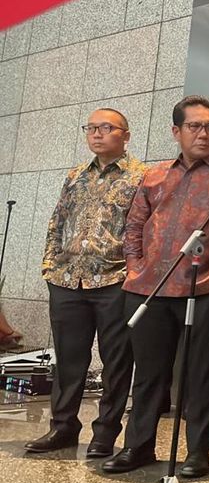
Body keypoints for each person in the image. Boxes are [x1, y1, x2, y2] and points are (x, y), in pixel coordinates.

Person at [102, 95, 209, 477]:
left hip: (205, 289)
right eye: (194, 126)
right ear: (176, 131)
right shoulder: (154, 175)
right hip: (150, 290)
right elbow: (134, 227)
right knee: (148, 375)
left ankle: (197, 454)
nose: (203, 133)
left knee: (201, 376)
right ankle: (137, 447)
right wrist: (135, 267)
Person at [25, 108, 146, 457]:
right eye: (91, 128)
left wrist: (134, 272)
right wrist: (50, 263)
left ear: (125, 134)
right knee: (68, 360)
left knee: (116, 361)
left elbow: (145, 230)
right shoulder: (76, 175)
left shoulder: (141, 177)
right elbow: (56, 221)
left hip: (114, 280)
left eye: (106, 128)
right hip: (67, 280)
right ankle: (62, 428)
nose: (96, 134)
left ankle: (105, 434)